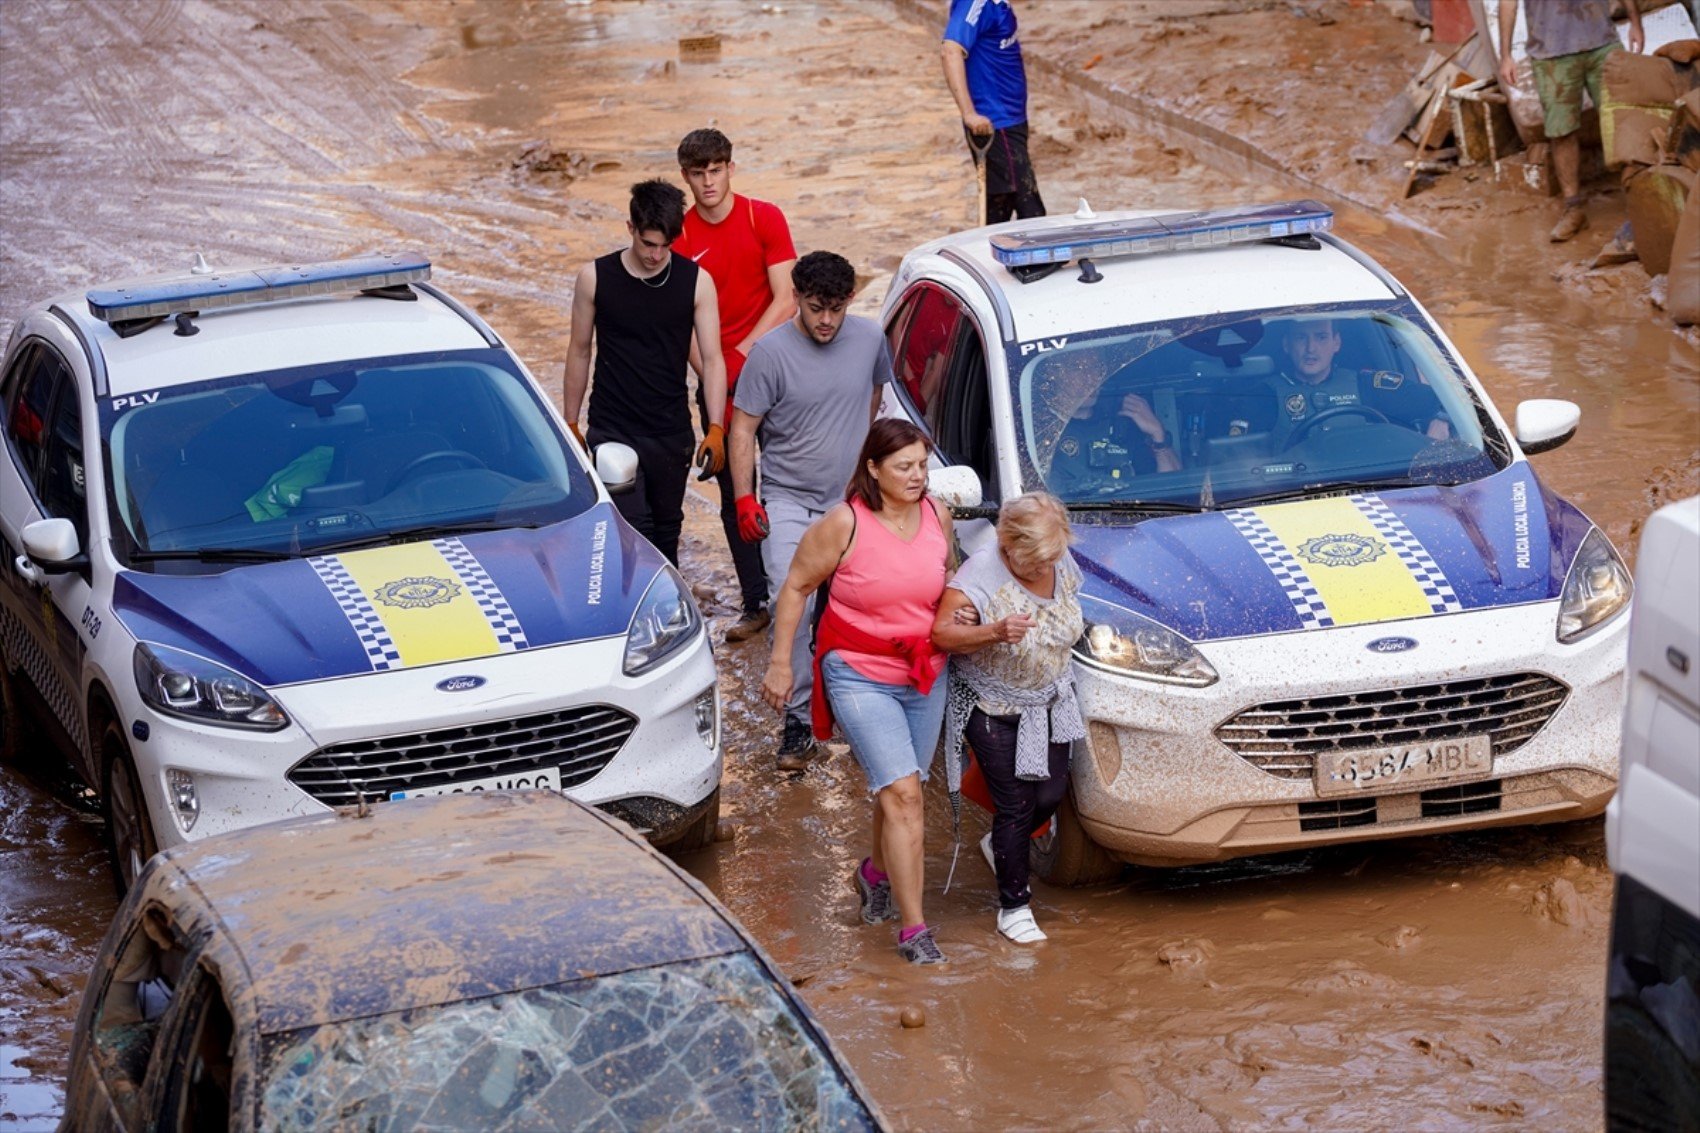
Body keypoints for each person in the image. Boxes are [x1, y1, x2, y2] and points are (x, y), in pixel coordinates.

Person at [760, 419, 955, 965]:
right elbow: (797, 586)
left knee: (898, 791)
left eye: (923, 465)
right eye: (904, 467)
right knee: (905, 795)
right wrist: (782, 664)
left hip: (924, 672)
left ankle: (874, 874)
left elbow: (950, 583)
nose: (918, 477)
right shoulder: (843, 525)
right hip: (857, 670)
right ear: (873, 469)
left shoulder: (939, 515)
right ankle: (914, 931)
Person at [731, 251, 892, 772]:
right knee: (789, 601)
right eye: (816, 307)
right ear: (796, 298)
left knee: (855, 610)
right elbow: (743, 429)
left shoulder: (870, 339)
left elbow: (874, 396)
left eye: (837, 309)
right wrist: (743, 497)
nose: (826, 320)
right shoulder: (768, 354)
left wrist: (865, 473)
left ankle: (857, 711)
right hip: (788, 501)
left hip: (848, 504)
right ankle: (797, 724)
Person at [933, 492, 1083, 945]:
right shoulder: (980, 571)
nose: (1044, 570)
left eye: (1050, 560)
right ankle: (1014, 907)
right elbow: (942, 633)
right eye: (1033, 561)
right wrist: (993, 630)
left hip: (1051, 701)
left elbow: (1070, 602)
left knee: (1051, 794)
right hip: (993, 706)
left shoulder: (1055, 555)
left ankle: (1002, 847)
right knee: (1016, 805)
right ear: (1006, 543)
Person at [674, 128, 798, 643]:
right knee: (735, 493)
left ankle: (802, 588)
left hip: (777, 372)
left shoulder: (761, 216)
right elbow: (677, 323)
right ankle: (756, 601)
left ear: (730, 168)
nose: (708, 182)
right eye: (698, 173)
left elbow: (787, 296)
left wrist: (744, 356)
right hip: (716, 383)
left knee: (791, 480)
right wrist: (714, 377)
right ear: (686, 176)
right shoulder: (678, 235)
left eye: (716, 170)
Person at [563, 180, 726, 566]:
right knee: (632, 529)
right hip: (612, 427)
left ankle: (668, 614)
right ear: (630, 228)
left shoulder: (696, 282)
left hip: (670, 431)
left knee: (668, 528)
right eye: (648, 244)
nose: (656, 256)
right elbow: (580, 351)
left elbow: (713, 359)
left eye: (666, 246)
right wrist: (570, 420)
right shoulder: (595, 278)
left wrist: (716, 427)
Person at [1497, 0, 1643, 243]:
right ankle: (1573, 209)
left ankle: (1640, 204)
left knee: (1623, 120)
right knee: (1561, 131)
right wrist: (1505, 55)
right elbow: (1507, 3)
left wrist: (1635, 23)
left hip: (1602, 44)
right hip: (1551, 53)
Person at [1266, 317, 1449, 449]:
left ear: (1336, 343)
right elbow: (1242, 457)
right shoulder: (1264, 394)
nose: (1311, 348)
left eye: (1321, 337)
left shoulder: (1367, 385)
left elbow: (1451, 402)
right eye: (1301, 338)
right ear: (1286, 345)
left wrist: (1440, 423)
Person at [940, 0, 1046, 225]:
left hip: (1011, 117)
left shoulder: (998, 4)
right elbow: (950, 51)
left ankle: (986, 255)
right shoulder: (975, 3)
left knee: (1000, 205)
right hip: (995, 124)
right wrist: (969, 113)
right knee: (1032, 210)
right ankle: (1043, 262)